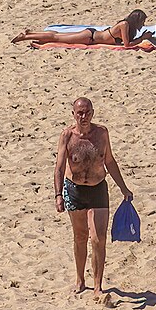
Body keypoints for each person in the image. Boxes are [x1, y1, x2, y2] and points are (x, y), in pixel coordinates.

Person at [55, 98, 133, 297]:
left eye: (87, 112)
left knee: (98, 239)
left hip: (98, 189)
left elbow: (109, 161)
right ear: (73, 114)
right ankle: (80, 280)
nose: (84, 116)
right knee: (80, 237)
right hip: (75, 190)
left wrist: (124, 188)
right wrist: (58, 195)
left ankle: (98, 286)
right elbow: (60, 167)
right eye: (80, 112)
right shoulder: (67, 136)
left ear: (93, 112)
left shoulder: (102, 133)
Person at [14, 11, 151, 48]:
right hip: (90, 37)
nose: (143, 24)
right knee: (57, 38)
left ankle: (31, 33)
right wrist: (142, 39)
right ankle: (25, 37)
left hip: (91, 34)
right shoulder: (124, 25)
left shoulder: (126, 25)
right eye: (142, 21)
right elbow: (126, 45)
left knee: (58, 35)